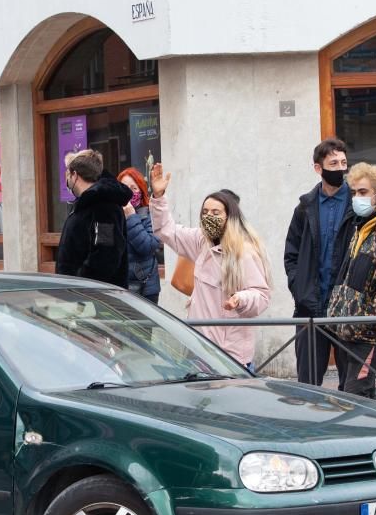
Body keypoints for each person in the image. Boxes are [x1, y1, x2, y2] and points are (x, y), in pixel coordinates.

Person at [149, 163, 271, 368]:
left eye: (216, 212)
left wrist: (240, 299)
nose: (209, 217)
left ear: (229, 217)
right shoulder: (200, 241)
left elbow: (261, 295)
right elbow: (166, 231)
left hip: (229, 354)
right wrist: (159, 196)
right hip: (198, 347)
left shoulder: (244, 252)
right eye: (205, 212)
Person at [284, 137, 356, 387]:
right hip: (311, 307)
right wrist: (299, 288)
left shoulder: (357, 204)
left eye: (343, 162)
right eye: (333, 163)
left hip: (348, 308)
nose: (340, 168)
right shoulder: (305, 207)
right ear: (318, 168)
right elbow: (291, 254)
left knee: (353, 387)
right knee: (308, 383)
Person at [327, 163, 376, 400]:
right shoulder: (362, 228)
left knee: (357, 395)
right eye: (354, 192)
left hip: (368, 333)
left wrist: (363, 320)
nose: (357, 198)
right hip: (349, 330)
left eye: (363, 192)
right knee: (353, 395)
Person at [55, 149, 131, 288]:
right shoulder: (86, 205)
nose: (66, 180)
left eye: (67, 174)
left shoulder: (104, 207)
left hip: (94, 298)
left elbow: (106, 254)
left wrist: (80, 283)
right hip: (81, 295)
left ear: (74, 174)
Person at [118, 167, 162, 303]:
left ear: (141, 192)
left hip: (145, 289)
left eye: (134, 188)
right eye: (124, 187)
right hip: (117, 287)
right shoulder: (111, 215)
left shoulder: (150, 214)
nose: (129, 192)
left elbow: (148, 247)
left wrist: (131, 217)